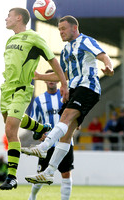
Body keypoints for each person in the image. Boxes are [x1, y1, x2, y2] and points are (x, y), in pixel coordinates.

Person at [21, 15, 114, 184]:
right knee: (67, 134)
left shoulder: (86, 41)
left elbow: (103, 55)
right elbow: (63, 76)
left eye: (63, 29)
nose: (61, 32)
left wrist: (109, 66)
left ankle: (43, 147)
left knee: (65, 118)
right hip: (75, 89)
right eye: (59, 30)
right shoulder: (65, 51)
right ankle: (49, 172)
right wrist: (40, 76)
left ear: (74, 28)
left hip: (88, 87)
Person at [0, 7, 68, 190]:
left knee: (10, 129)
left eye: (9, 15)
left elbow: (53, 60)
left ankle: (11, 177)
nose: (6, 19)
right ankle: (40, 128)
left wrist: (64, 84)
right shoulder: (10, 40)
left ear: (19, 18)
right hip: (6, 89)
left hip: (21, 89)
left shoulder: (34, 37)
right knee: (11, 124)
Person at [28, 69, 74, 200]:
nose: (51, 81)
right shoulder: (38, 100)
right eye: (48, 78)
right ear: (45, 81)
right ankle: (32, 196)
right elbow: (33, 121)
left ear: (58, 80)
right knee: (41, 173)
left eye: (54, 78)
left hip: (65, 141)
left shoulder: (66, 96)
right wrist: (38, 132)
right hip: (48, 143)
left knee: (66, 173)